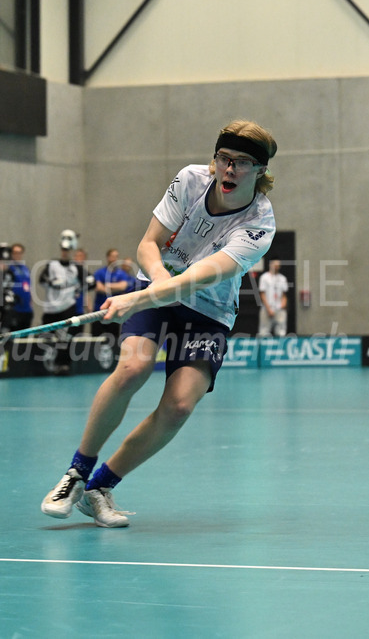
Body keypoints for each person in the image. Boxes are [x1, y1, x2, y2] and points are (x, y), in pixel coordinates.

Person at [41, 120, 278, 528]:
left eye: (242, 163)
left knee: (180, 405)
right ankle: (77, 473)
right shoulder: (189, 180)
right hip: (157, 288)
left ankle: (100, 486)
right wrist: (156, 278)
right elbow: (148, 243)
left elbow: (204, 275)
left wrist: (145, 294)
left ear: (260, 172)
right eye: (224, 159)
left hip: (208, 310)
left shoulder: (259, 223)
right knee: (132, 367)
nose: (230, 170)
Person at [38, 230, 85, 375]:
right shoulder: (52, 264)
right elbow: (41, 279)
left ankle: (64, 365)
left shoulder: (77, 268)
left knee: (64, 339)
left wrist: (79, 288)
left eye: (68, 250)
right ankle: (45, 366)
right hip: (51, 309)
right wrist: (52, 283)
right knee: (46, 339)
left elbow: (90, 282)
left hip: (67, 308)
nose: (65, 252)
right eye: (63, 250)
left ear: (72, 251)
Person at [91, 248, 134, 342]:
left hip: (114, 312)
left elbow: (123, 286)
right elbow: (98, 288)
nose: (115, 259)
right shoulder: (100, 272)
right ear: (108, 258)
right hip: (99, 310)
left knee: (113, 340)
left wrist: (107, 285)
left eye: (116, 256)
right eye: (112, 256)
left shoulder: (121, 274)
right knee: (96, 340)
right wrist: (115, 287)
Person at [258, 257, 289, 337]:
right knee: (264, 332)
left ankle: (280, 348)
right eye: (275, 265)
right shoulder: (264, 278)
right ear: (270, 265)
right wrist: (269, 309)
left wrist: (282, 306)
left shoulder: (282, 279)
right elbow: (262, 294)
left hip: (279, 309)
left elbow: (284, 295)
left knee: (281, 332)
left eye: (278, 265)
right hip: (267, 308)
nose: (276, 267)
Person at [7, 243, 34, 331]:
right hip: (15, 308)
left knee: (24, 338)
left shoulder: (25, 268)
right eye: (15, 253)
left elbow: (28, 286)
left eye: (19, 253)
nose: (17, 255)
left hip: (27, 309)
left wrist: (31, 301)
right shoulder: (9, 268)